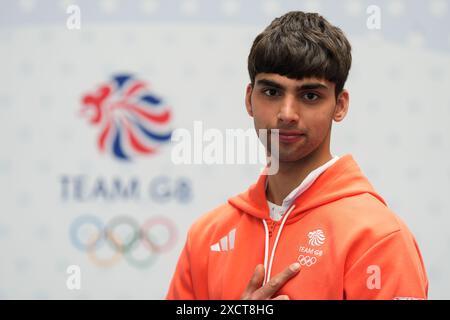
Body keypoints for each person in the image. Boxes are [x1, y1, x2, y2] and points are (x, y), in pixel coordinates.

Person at [166, 11, 428, 300]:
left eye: (310, 96)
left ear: (340, 106)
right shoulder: (207, 235)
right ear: (249, 99)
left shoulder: (377, 236)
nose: (287, 114)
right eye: (272, 92)